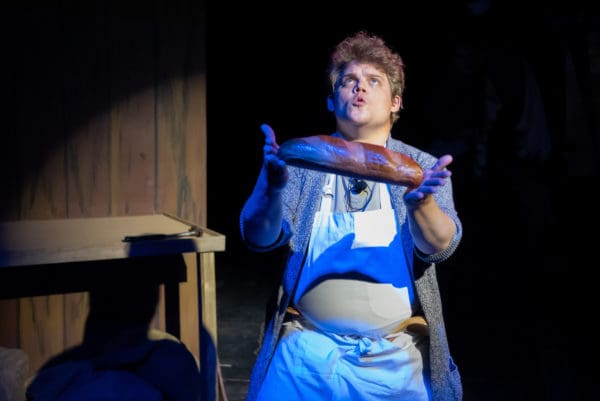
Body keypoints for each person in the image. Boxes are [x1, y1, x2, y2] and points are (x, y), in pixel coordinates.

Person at [239, 31, 463, 401]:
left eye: (374, 81)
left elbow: (441, 246)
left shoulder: (421, 168)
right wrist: (271, 189)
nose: (360, 88)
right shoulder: (302, 163)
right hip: (307, 355)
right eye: (348, 81)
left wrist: (420, 204)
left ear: (395, 102)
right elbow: (258, 237)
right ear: (331, 100)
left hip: (394, 360)